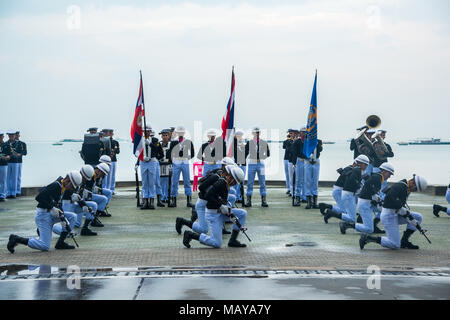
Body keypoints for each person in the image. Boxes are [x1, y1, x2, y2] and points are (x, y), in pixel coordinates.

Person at [7, 171, 82, 253]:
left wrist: (63, 218)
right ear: (67, 180)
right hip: (43, 216)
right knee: (45, 246)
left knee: (72, 217)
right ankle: (16, 239)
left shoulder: (61, 187)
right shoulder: (56, 185)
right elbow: (38, 197)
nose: (71, 189)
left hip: (49, 214)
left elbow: (55, 202)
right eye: (71, 186)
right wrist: (51, 208)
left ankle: (60, 243)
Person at [182, 165, 247, 249]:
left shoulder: (226, 184)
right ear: (231, 178)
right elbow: (208, 195)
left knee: (243, 213)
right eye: (235, 182)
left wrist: (228, 209)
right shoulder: (221, 183)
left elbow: (220, 198)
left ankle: (233, 240)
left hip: (220, 213)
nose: (234, 184)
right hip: (213, 215)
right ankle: (191, 235)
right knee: (217, 243)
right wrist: (221, 206)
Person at [360, 175, 428, 250]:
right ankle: (368, 238)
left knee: (417, 217)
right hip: (388, 216)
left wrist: (408, 215)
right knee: (395, 244)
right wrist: (405, 213)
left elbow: (400, 205)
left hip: (394, 214)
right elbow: (391, 201)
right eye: (415, 189)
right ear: (412, 182)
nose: (414, 191)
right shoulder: (401, 187)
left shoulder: (404, 187)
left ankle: (404, 241)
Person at [339, 162, 394, 235]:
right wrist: (376, 198)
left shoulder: (378, 177)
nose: (389, 176)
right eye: (389, 174)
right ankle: (347, 225)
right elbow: (370, 187)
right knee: (369, 229)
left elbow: (369, 186)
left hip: (366, 202)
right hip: (365, 204)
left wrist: (376, 198)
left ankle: (372, 223)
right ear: (383, 171)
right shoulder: (378, 177)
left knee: (384, 209)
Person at [51, 165, 99, 237]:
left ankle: (85, 229)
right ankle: (51, 227)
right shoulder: (74, 178)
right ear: (81, 174)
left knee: (92, 206)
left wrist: (84, 206)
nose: (84, 180)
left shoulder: (82, 181)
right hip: (66, 203)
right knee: (68, 233)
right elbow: (64, 193)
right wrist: (72, 195)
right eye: (84, 178)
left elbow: (79, 196)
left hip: (74, 203)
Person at [323, 155, 369, 223]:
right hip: (343, 192)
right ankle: (331, 212)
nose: (366, 167)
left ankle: (329, 209)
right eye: (365, 165)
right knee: (346, 213)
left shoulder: (353, 169)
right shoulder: (355, 170)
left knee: (346, 211)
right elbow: (352, 181)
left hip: (344, 192)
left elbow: (349, 179)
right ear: (359, 163)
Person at [168, 126, 195, 208]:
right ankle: (173, 200)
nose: (180, 134)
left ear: (184, 133)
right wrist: (172, 161)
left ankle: (189, 200)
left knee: (187, 181)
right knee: (174, 181)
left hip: (185, 162)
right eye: (179, 132)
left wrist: (187, 158)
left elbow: (193, 153)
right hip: (176, 162)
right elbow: (170, 153)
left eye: (182, 132)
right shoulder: (173, 142)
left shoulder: (188, 142)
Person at [244, 126, 270, 207]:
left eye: (258, 132)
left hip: (261, 164)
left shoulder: (264, 142)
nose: (257, 134)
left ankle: (264, 200)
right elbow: (245, 153)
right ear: (252, 133)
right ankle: (248, 200)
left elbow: (268, 154)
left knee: (262, 182)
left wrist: (262, 156)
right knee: (250, 182)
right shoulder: (249, 142)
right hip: (252, 163)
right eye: (255, 132)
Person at [140, 127, 164, 210]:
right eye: (144, 131)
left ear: (150, 131)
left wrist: (149, 143)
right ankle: (145, 201)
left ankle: (151, 201)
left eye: (147, 131)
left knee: (152, 182)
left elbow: (157, 150)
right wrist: (141, 158)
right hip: (143, 162)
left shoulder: (154, 140)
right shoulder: (140, 139)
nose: (146, 132)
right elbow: (136, 151)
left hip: (152, 161)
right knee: (144, 183)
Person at [304, 139, 323, 209]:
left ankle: (315, 202)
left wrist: (316, 143)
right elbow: (303, 151)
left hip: (316, 160)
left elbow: (320, 149)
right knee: (307, 181)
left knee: (315, 181)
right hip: (308, 160)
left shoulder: (318, 141)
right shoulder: (306, 141)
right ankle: (309, 201)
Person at [291, 127, 307, 206]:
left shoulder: (308, 141)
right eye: (302, 132)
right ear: (300, 133)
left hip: (307, 161)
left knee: (305, 180)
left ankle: (304, 196)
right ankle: (297, 196)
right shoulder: (297, 142)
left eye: (305, 132)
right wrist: (294, 163)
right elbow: (294, 153)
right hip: (299, 161)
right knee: (298, 180)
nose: (304, 133)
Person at [4, 130, 20, 198]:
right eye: (10, 136)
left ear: (14, 136)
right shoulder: (5, 143)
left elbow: (18, 153)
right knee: (7, 178)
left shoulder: (18, 143)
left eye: (12, 135)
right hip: (7, 162)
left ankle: (13, 193)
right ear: (8, 136)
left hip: (15, 162)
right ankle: (7, 192)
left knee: (14, 178)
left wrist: (11, 155)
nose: (11, 137)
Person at [232, 130, 246, 203]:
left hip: (243, 163)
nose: (240, 137)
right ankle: (234, 196)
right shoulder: (233, 144)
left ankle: (240, 197)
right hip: (236, 163)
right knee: (234, 181)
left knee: (241, 181)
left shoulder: (243, 144)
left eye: (241, 135)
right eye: (238, 135)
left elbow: (245, 154)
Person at [14, 131, 27, 197]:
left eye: (17, 135)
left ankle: (18, 191)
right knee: (11, 177)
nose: (16, 136)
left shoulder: (22, 143)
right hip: (11, 162)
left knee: (18, 177)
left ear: (19, 135)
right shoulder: (9, 144)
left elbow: (25, 152)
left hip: (19, 161)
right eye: (15, 135)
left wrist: (20, 154)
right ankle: (11, 191)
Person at [283, 129, 295, 196]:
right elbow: (285, 147)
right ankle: (289, 189)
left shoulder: (295, 141)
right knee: (288, 175)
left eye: (291, 133)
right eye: (289, 133)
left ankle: (292, 189)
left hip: (292, 160)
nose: (290, 134)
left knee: (293, 175)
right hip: (286, 158)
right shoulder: (286, 141)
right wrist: (289, 140)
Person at [0, 132, 12, 202]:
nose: (0, 138)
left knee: (3, 181)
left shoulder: (7, 145)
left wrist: (8, 157)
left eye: (1, 137)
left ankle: (2, 195)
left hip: (3, 164)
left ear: (3, 137)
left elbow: (10, 154)